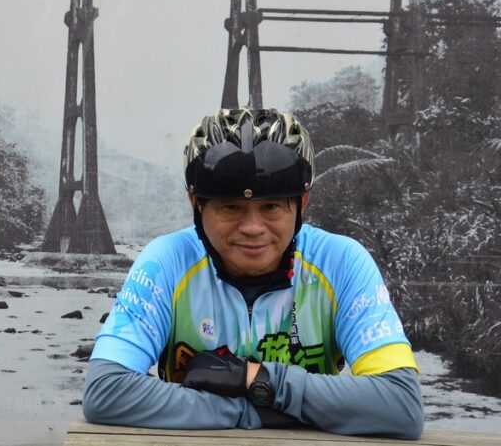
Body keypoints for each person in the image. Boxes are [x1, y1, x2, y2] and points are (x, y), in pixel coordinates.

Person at [82, 108, 423, 438]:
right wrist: (256, 411)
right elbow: (106, 390)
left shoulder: (341, 262)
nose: (252, 228)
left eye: (271, 206)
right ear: (196, 204)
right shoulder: (168, 261)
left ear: (301, 204)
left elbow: (400, 405)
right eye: (231, 207)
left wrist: (254, 379)